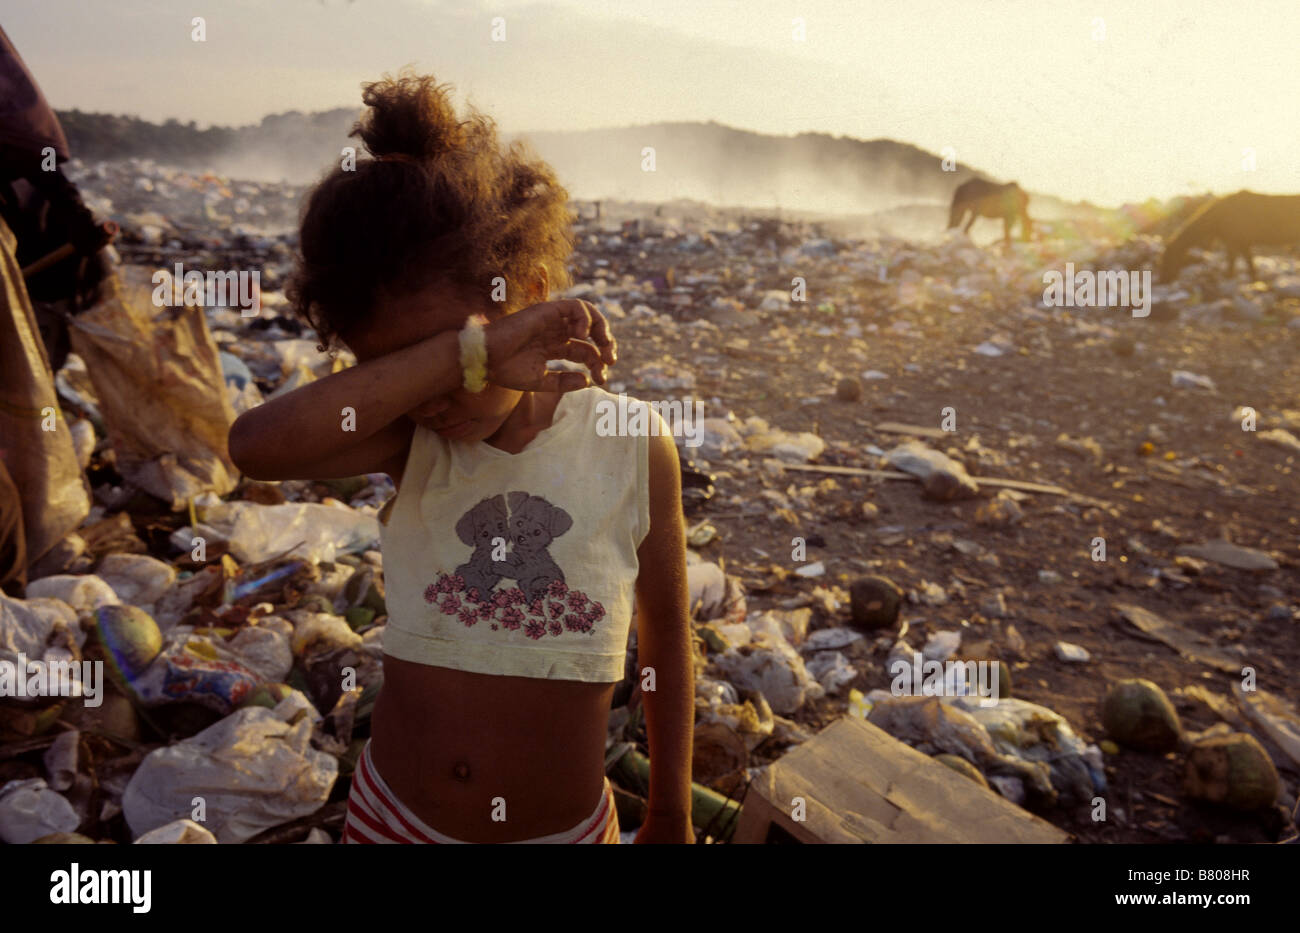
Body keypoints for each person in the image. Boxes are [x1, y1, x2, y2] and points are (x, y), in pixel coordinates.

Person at [227, 71, 695, 844]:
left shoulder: (630, 443)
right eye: (408, 366)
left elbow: (667, 637)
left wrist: (673, 808)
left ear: (533, 295)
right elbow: (253, 448)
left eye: (457, 350)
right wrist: (462, 353)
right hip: (394, 819)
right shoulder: (415, 438)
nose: (435, 392)